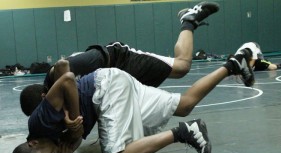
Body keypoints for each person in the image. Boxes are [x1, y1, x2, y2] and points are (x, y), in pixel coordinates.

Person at [12, 42, 255, 153]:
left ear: (32, 142)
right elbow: (77, 133)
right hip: (114, 84)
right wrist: (72, 143)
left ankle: (183, 132)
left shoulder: (38, 122)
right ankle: (231, 65)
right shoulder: (52, 138)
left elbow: (66, 77)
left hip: (106, 85)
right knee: (184, 105)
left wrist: (74, 121)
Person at [20, 1, 220, 116]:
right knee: (177, 109)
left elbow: (66, 67)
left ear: (44, 97)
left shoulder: (57, 76)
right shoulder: (55, 99)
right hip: (113, 86)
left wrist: (72, 115)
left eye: (44, 111)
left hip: (121, 62)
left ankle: (188, 21)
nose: (49, 115)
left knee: (182, 66)